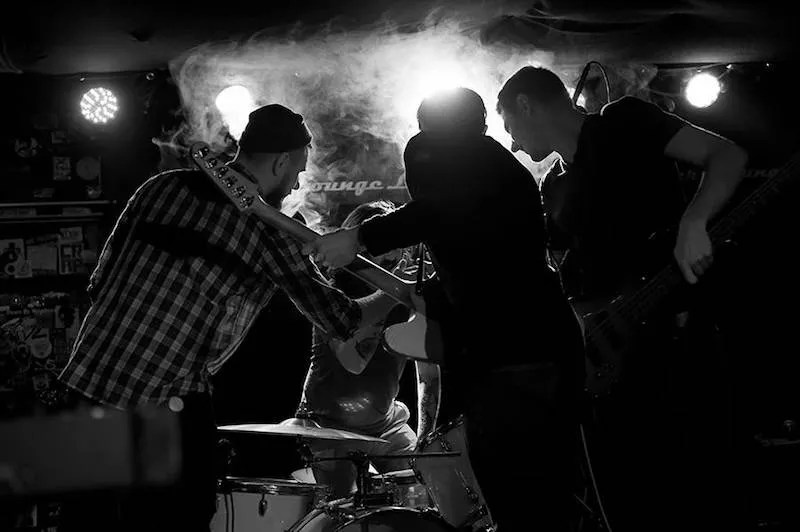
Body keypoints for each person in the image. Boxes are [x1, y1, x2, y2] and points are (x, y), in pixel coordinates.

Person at [57, 104, 399, 532]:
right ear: (281, 162)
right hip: (164, 404)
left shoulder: (160, 188)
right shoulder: (272, 229)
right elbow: (343, 319)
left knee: (84, 522)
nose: (296, 184)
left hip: (85, 387)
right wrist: (401, 292)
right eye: (298, 171)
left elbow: (99, 283)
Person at [302, 87, 585, 531]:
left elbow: (436, 211)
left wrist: (358, 238)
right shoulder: (495, 172)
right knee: (536, 498)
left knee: (517, 495)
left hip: (514, 355)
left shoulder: (449, 155)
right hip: (536, 345)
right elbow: (474, 254)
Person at [496, 66, 748, 532]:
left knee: (699, 490)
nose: (512, 143)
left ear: (526, 105)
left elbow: (727, 154)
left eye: (509, 126)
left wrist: (693, 223)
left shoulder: (624, 121)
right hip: (612, 362)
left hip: (677, 337)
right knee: (634, 500)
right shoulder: (553, 186)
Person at [297, 200, 441, 500]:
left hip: (386, 424)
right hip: (328, 426)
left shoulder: (408, 299)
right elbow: (354, 362)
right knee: (341, 505)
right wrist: (397, 289)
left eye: (397, 247)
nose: (392, 255)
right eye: (382, 247)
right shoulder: (334, 297)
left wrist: (426, 440)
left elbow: (429, 377)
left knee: (426, 491)